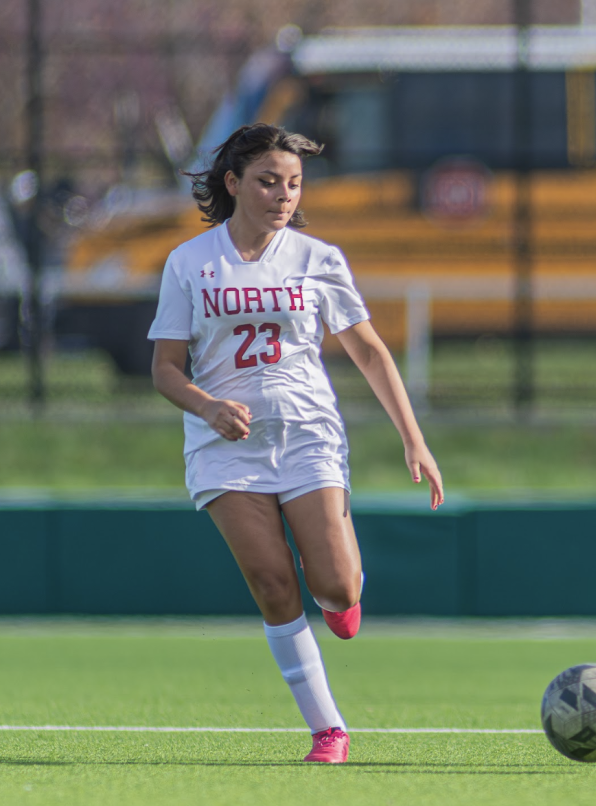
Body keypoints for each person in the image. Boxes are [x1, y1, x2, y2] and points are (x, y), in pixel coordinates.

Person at [148, 123, 444, 763]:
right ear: (233, 184)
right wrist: (207, 406)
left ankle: (344, 589)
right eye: (268, 181)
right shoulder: (189, 263)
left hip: (309, 435)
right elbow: (165, 369)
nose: (284, 194)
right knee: (272, 584)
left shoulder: (318, 258)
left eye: (294, 183)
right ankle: (328, 730)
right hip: (224, 448)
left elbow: (367, 349)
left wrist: (413, 439)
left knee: (335, 588)